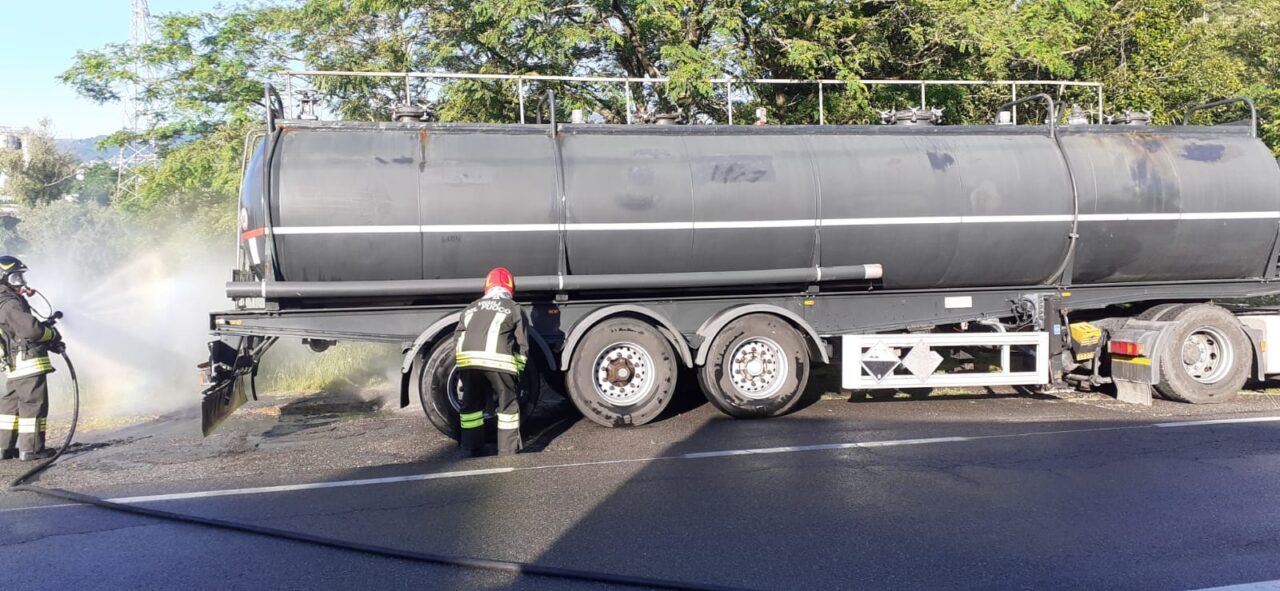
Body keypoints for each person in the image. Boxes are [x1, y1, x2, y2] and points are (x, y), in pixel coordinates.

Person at [454, 267, 529, 456]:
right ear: (511, 288)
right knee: (507, 406)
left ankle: (471, 446)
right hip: (500, 363)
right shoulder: (514, 308)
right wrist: (517, 371)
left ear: (486, 287)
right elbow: (522, 344)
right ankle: (507, 450)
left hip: (468, 362)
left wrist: (462, 367)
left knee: (471, 406)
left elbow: (457, 337)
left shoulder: (471, 307)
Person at [0, 256, 61, 462]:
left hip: (13, 363)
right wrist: (51, 335)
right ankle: (32, 449)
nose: (21, 281)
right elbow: (31, 331)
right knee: (33, 404)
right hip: (27, 362)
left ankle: (3, 447)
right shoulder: (9, 303)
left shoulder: (4, 300)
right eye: (16, 277)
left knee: (10, 405)